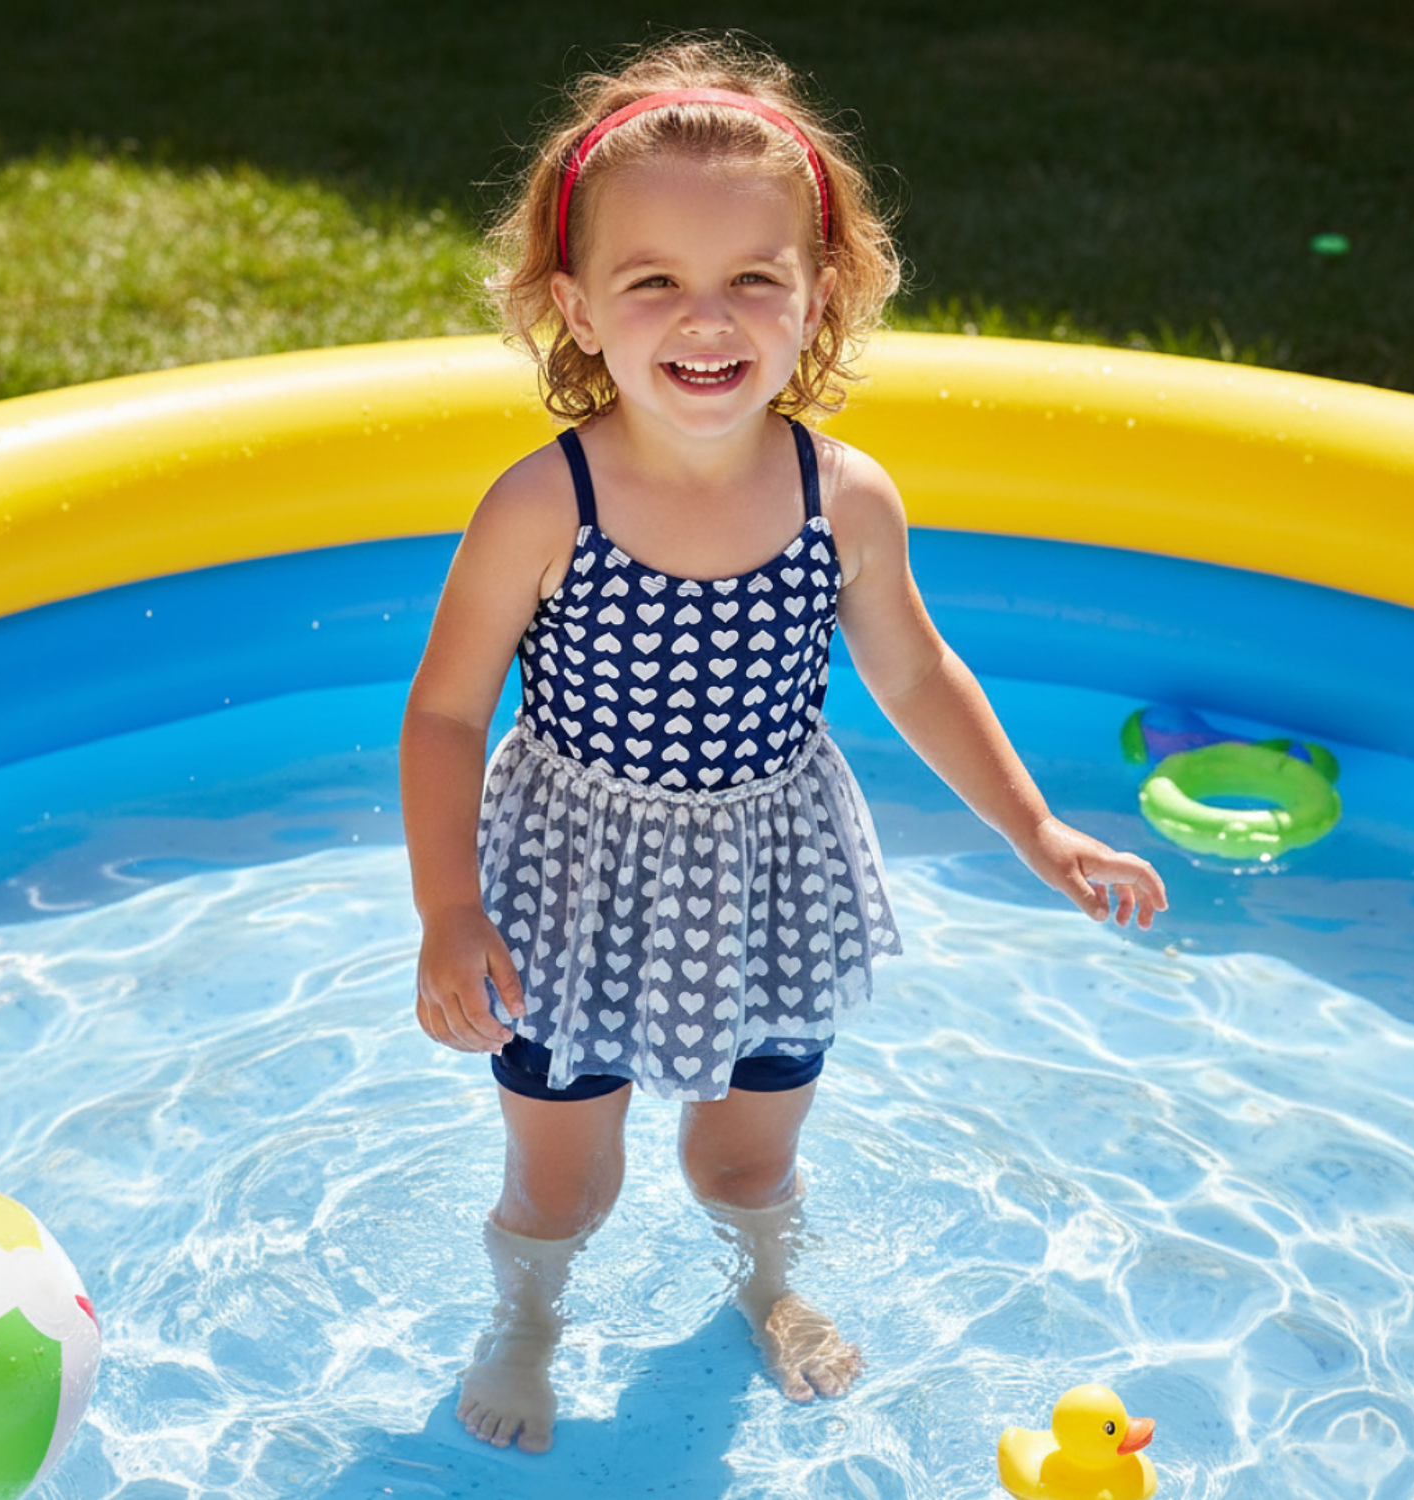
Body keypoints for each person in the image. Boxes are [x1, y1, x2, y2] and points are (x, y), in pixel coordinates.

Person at [399, 35, 1167, 1455]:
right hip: (574, 881)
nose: (709, 319)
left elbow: (917, 672)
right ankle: (528, 1322)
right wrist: (450, 909)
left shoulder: (844, 497)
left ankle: (766, 1281)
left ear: (821, 292)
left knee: (749, 1153)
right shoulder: (545, 503)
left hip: (772, 874)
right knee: (563, 1178)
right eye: (654, 281)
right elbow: (447, 710)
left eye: (755, 276)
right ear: (576, 307)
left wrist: (1036, 828)